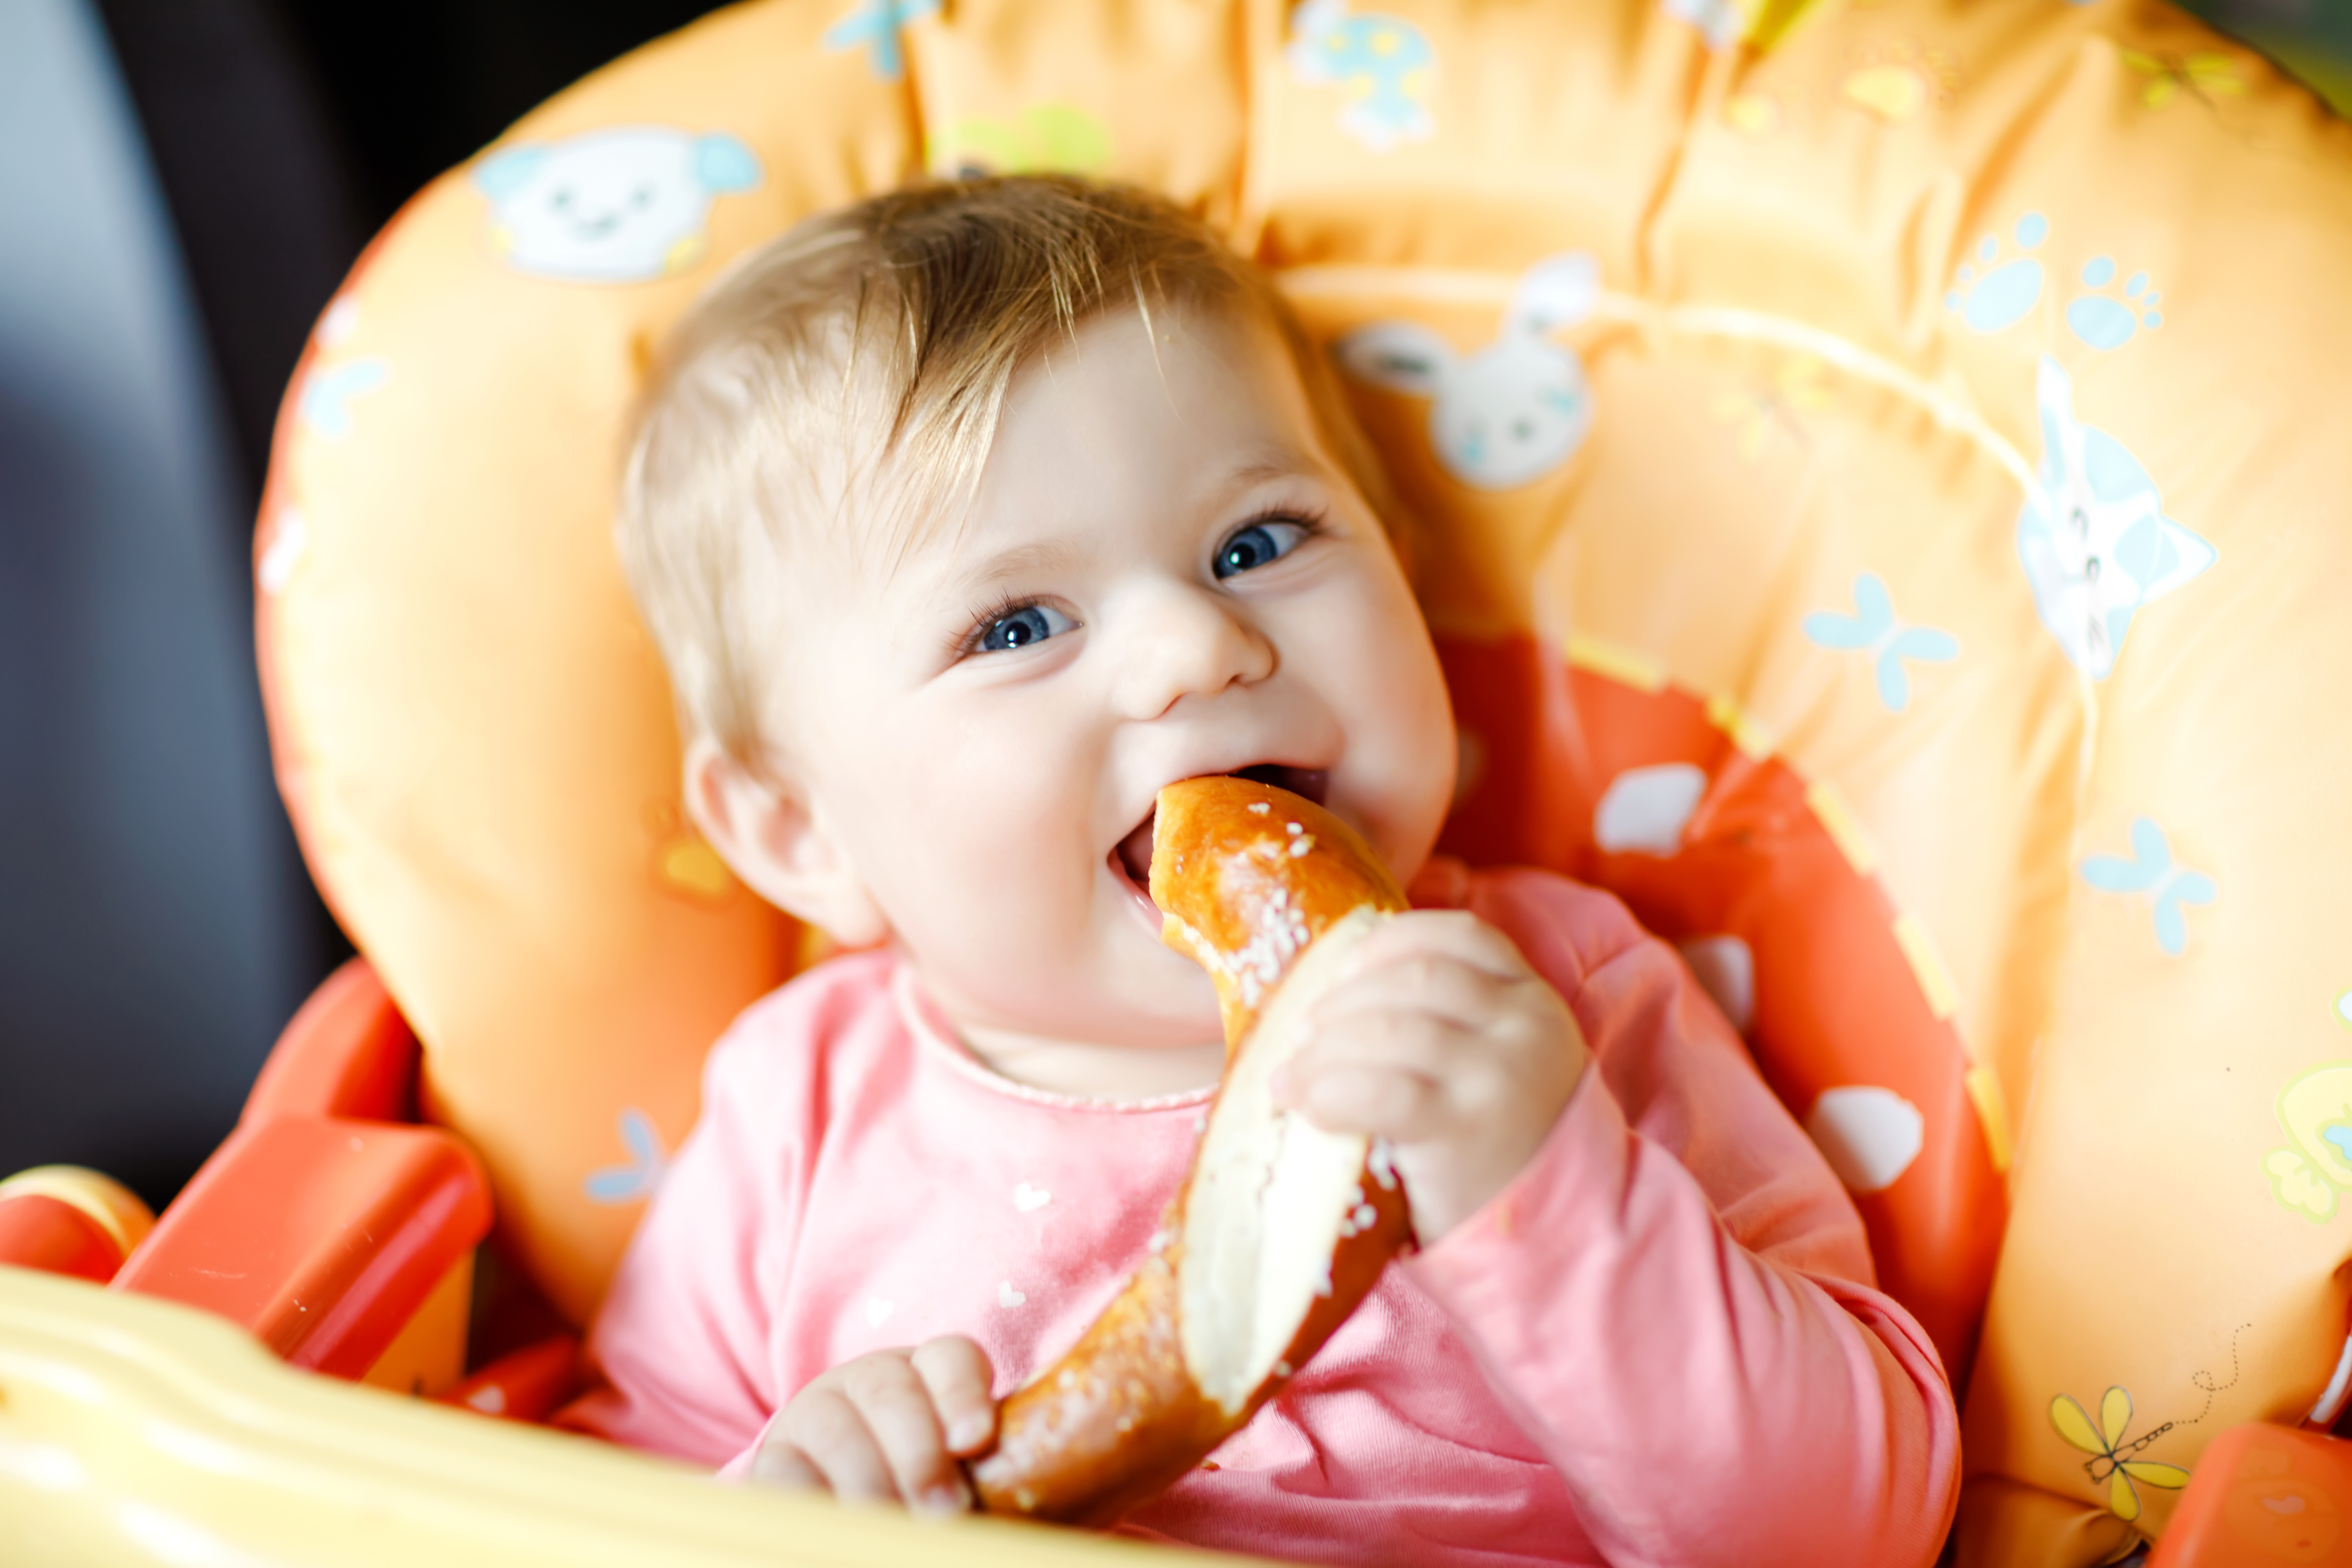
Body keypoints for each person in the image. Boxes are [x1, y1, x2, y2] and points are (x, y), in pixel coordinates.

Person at [561, 174, 1960, 1566]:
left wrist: (1548, 1178)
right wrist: (770, 1508)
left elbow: (1854, 1527)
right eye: (1014, 627)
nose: (1192, 647)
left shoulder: (1555, 1002)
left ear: (1403, 573)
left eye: (1256, 544)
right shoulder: (796, 1113)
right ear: (799, 832)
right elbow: (568, 1516)